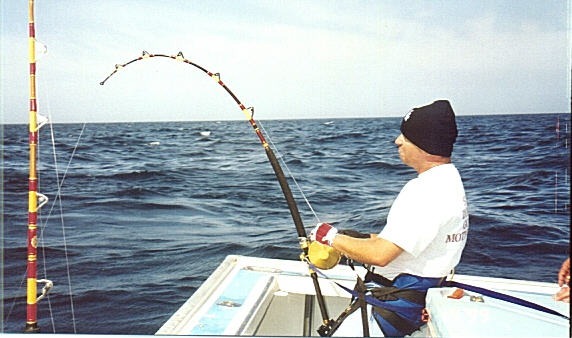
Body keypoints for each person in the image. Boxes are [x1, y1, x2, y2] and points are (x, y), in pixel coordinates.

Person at [311, 100, 469, 337]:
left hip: (393, 308)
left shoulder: (426, 191)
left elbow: (380, 255)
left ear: (424, 143)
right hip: (411, 305)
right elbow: (408, 242)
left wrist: (328, 236)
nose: (397, 141)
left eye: (405, 135)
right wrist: (360, 238)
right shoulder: (449, 181)